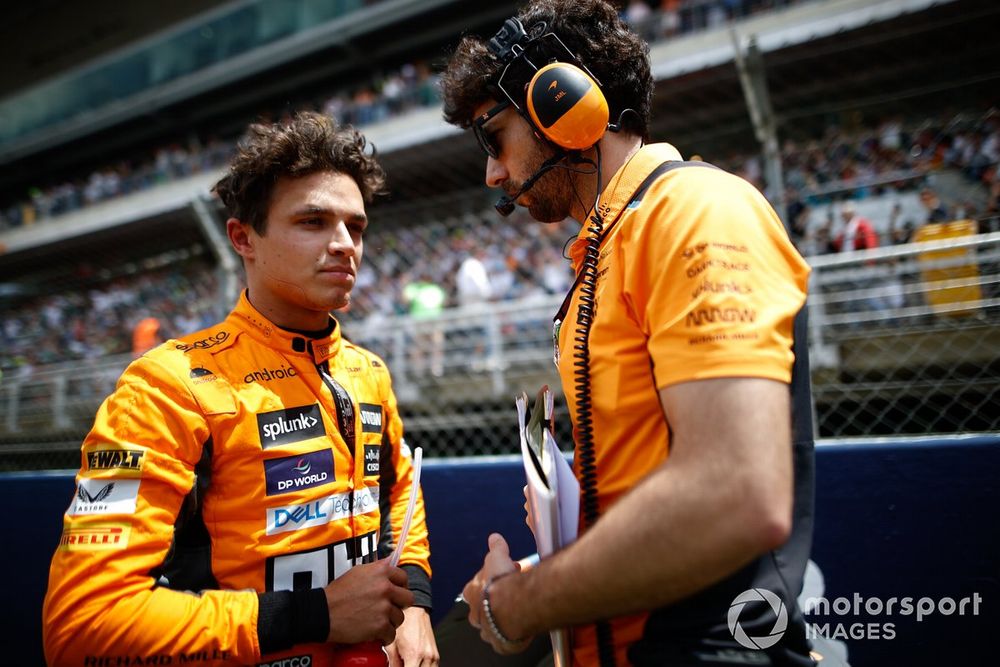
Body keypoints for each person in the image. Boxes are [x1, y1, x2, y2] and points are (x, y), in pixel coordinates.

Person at [439, 1, 822, 666]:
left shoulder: (696, 212)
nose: (492, 174)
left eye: (494, 137)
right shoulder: (605, 252)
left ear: (564, 101)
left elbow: (735, 492)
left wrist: (523, 602)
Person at [43, 111, 439, 667]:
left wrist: (415, 602)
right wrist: (316, 613)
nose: (345, 243)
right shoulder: (165, 386)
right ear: (242, 238)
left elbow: (400, 493)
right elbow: (82, 625)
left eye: (357, 226)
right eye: (313, 222)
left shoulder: (368, 371)